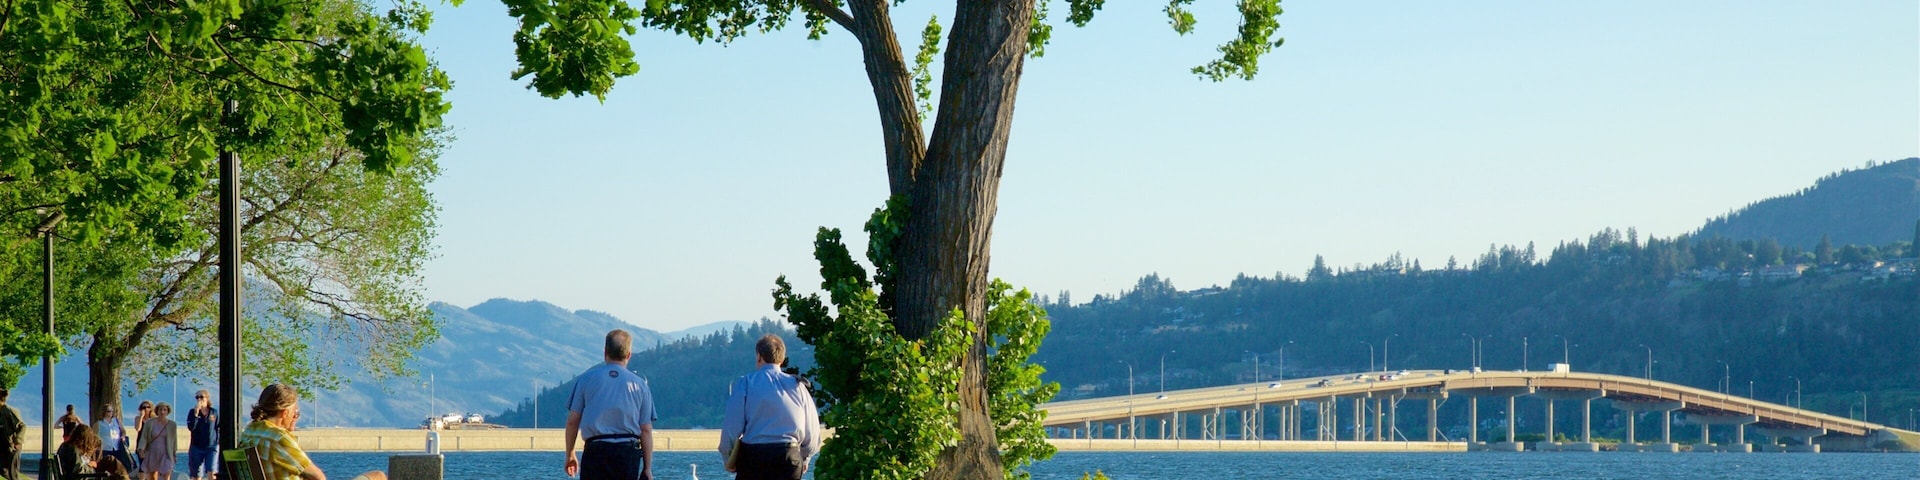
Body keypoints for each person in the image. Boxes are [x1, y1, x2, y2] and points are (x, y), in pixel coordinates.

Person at [718, 335, 820, 480]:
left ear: (759, 356)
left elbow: (731, 427)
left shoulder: (746, 383)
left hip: (754, 458)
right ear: (782, 359)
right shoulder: (798, 387)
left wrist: (728, 459)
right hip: (789, 458)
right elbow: (812, 433)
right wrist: (804, 458)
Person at [238, 384, 387, 480]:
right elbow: (318, 477)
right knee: (377, 476)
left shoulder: (249, 432)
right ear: (284, 413)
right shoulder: (278, 438)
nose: (295, 417)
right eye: (294, 413)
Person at [563, 329, 658, 480]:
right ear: (628, 355)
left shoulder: (585, 380)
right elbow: (645, 430)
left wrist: (570, 454)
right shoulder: (640, 385)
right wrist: (647, 468)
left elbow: (572, 421)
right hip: (627, 453)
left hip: (595, 451)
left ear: (605, 352)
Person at [139, 403, 178, 480]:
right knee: (153, 477)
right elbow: (144, 437)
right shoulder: (150, 423)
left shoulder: (172, 424)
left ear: (167, 412)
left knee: (166, 475)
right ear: (157, 411)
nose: (162, 412)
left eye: (165, 410)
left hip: (166, 453)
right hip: (153, 452)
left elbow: (174, 440)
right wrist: (141, 449)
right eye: (160, 409)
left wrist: (174, 453)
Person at [93, 404, 135, 474]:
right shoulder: (99, 423)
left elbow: (123, 431)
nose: (111, 413)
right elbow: (94, 436)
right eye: (109, 411)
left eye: (112, 411)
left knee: (118, 468)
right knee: (105, 469)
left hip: (117, 448)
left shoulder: (116, 421)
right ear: (104, 412)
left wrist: (123, 437)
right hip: (105, 449)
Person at [188, 390, 220, 480]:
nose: (199, 399)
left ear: (207, 398)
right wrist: (196, 414)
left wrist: (217, 441)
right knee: (196, 474)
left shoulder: (214, 412)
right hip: (197, 447)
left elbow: (218, 427)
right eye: (197, 397)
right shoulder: (192, 412)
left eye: (201, 397)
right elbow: (191, 427)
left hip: (211, 447)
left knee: (212, 471)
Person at [0, 388, 23, 480]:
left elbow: (22, 426)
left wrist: (18, 441)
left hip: (11, 446)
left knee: (13, 473)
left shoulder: (8, 411)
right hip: (2, 446)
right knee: (2, 469)